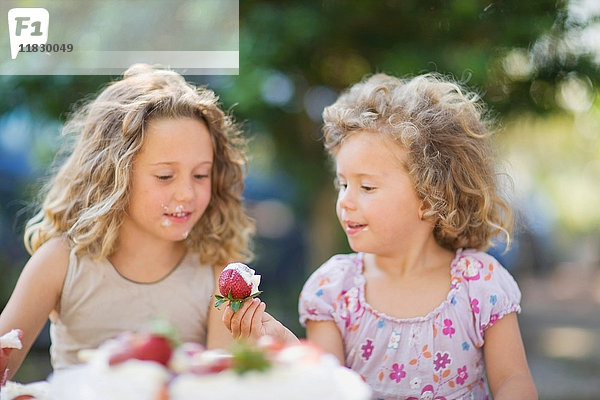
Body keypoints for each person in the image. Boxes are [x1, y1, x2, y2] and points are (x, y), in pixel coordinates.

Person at [227, 73, 538, 400]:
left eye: (367, 187)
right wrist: (280, 340)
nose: (345, 200)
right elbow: (326, 386)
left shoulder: (480, 284)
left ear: (430, 197)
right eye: (342, 184)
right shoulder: (334, 291)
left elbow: (512, 381)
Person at [0, 64, 255, 381]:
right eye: (165, 176)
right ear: (113, 176)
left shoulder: (220, 272)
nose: (187, 192)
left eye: (201, 175)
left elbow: (221, 387)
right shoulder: (60, 262)